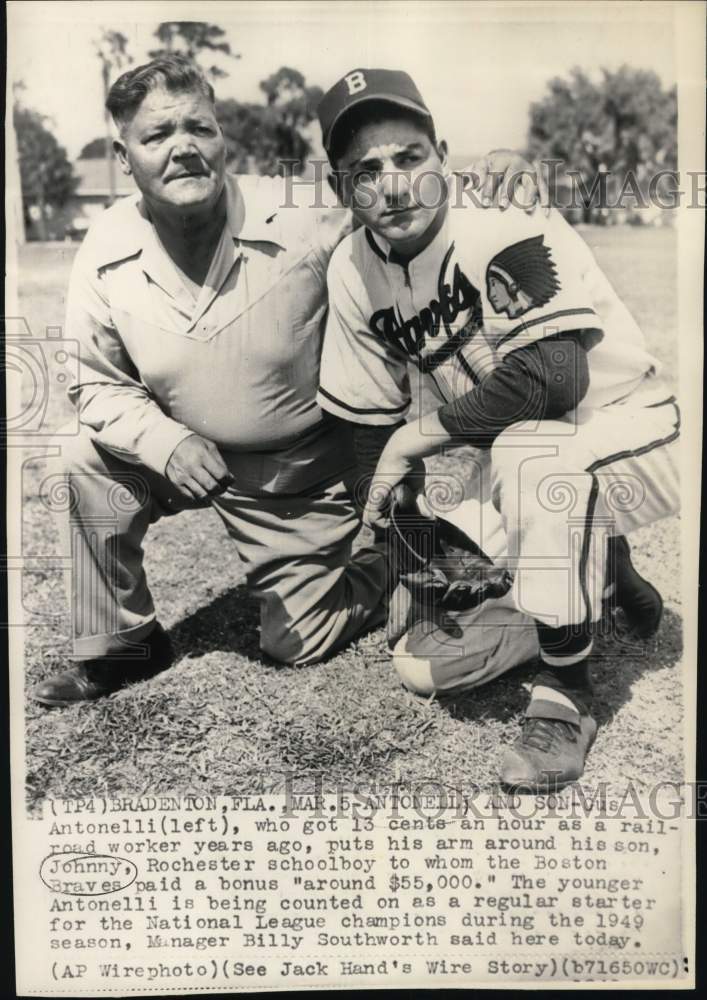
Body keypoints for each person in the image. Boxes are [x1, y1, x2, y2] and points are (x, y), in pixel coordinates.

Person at [31, 55, 539, 707]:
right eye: (157, 135)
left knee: (296, 642)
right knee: (81, 456)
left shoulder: (299, 219)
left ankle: (392, 559)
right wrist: (164, 442)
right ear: (123, 157)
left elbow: (392, 200)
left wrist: (479, 178)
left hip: (301, 471)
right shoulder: (102, 249)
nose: (183, 147)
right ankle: (124, 646)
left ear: (221, 139)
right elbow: (97, 386)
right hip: (187, 455)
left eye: (199, 128)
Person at [315, 68, 679, 790]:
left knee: (530, 452)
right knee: (422, 663)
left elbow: (555, 378)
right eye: (365, 171)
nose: (392, 186)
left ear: (442, 156)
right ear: (339, 190)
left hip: (632, 430)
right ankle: (599, 576)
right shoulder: (352, 270)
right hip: (520, 449)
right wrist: (407, 540)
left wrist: (411, 440)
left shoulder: (500, 222)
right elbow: (360, 426)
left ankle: (565, 692)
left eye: (409, 158)